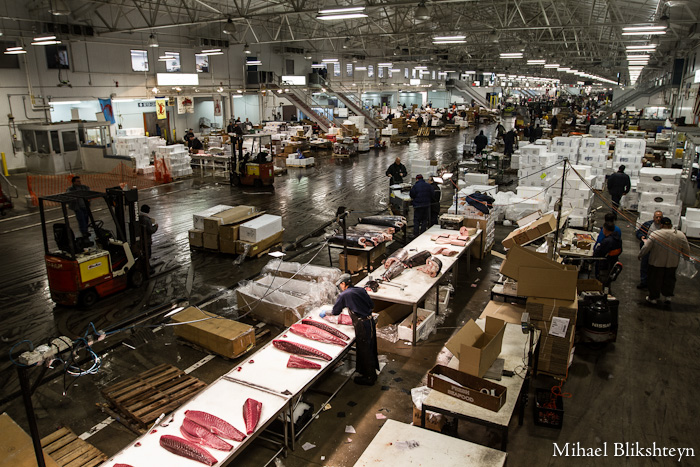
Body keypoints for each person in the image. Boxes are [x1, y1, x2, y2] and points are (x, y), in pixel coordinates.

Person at [320, 274, 378, 385]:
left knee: (365, 350)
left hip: (362, 325)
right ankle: (366, 372)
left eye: (339, 285)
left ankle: (370, 378)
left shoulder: (344, 295)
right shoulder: (361, 290)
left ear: (343, 283)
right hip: (369, 322)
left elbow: (336, 311)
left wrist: (325, 313)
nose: (340, 288)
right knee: (370, 347)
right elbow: (371, 305)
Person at [639, 217, 691, 305]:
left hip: (656, 263)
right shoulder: (680, 235)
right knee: (669, 280)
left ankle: (653, 298)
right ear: (671, 225)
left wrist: (640, 255)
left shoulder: (655, 234)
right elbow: (686, 248)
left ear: (661, 225)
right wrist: (686, 258)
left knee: (655, 280)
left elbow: (647, 247)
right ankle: (668, 297)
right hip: (672, 263)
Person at [636, 210, 664, 289]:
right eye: (657, 217)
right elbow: (639, 232)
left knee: (655, 268)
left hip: (658, 250)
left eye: (660, 217)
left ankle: (653, 283)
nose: (658, 219)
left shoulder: (664, 227)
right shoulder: (648, 224)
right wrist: (642, 237)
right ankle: (644, 282)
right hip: (648, 248)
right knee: (644, 265)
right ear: (653, 217)